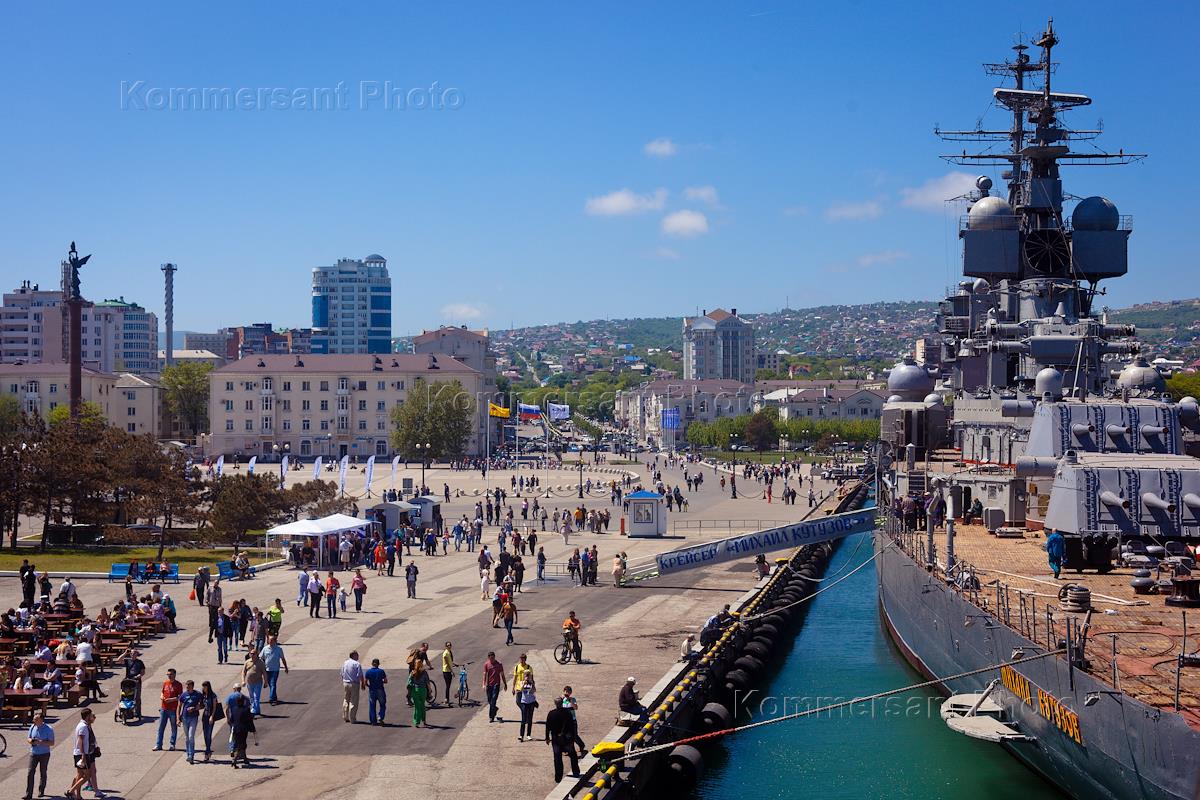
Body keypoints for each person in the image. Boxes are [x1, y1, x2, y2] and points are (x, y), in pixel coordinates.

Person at [544, 695, 581, 782]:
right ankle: (576, 771)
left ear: (555, 704)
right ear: (562, 703)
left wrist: (547, 737)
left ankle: (558, 776)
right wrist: (573, 737)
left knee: (557, 758)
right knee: (573, 755)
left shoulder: (551, 713)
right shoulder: (567, 712)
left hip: (555, 739)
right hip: (567, 738)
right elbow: (571, 725)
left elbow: (548, 726)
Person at [67, 708, 97, 800]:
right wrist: (83, 756)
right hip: (82, 754)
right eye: (91, 715)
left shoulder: (84, 725)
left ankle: (78, 796)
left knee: (79, 775)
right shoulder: (83, 727)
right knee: (88, 775)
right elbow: (81, 741)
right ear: (87, 716)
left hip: (79, 753)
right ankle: (71, 791)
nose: (92, 717)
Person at [24, 708, 54, 800]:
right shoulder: (32, 727)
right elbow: (28, 738)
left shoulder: (49, 729)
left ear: (41, 720)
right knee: (30, 773)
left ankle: (41, 790)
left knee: (43, 772)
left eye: (36, 719)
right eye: (34, 719)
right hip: (33, 753)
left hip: (44, 754)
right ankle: (29, 794)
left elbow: (52, 743)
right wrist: (31, 741)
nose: (34, 720)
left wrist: (40, 742)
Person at [153, 667, 182, 752]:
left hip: (173, 709)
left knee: (173, 727)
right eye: (168, 674)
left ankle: (172, 744)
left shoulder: (178, 685)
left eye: (171, 674)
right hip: (164, 708)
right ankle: (158, 744)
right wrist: (162, 697)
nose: (169, 676)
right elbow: (162, 692)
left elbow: (180, 697)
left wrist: (171, 700)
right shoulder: (165, 683)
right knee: (161, 727)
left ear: (174, 675)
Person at [177, 679, 204, 764]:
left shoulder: (198, 694)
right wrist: (178, 718)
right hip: (184, 717)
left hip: (193, 717)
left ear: (192, 686)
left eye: (188, 686)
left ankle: (191, 755)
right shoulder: (183, 695)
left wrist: (195, 708)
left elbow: (203, 705)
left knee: (191, 736)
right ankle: (188, 753)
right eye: (186, 686)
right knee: (187, 737)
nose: (187, 688)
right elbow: (179, 706)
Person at [259, 634, 289, 705]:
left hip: (275, 670)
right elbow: (260, 658)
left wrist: (286, 667)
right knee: (270, 684)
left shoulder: (279, 649)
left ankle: (272, 699)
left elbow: (283, 659)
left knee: (273, 683)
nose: (270, 641)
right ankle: (274, 697)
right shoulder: (265, 649)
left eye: (271, 640)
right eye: (269, 640)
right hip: (267, 669)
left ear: (275, 641)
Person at [228, 693, 256, 768]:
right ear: (243, 701)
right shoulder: (246, 709)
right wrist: (253, 729)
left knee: (240, 744)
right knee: (241, 745)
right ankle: (234, 760)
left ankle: (245, 758)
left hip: (236, 730)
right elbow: (249, 720)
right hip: (243, 730)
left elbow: (231, 720)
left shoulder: (234, 709)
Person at [199, 680, 223, 763]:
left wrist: (212, 716)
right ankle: (208, 750)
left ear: (208, 687)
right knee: (205, 735)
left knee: (209, 735)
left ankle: (207, 752)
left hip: (210, 716)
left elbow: (215, 707)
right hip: (204, 716)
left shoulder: (213, 695)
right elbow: (202, 705)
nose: (203, 688)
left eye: (205, 686)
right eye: (203, 686)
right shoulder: (203, 695)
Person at [481, 651, 507, 723]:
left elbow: (502, 674)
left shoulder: (499, 664)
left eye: (493, 658)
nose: (492, 659)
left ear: (494, 657)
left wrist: (505, 684)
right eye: (490, 658)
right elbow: (485, 674)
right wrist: (483, 684)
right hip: (489, 685)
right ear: (488, 658)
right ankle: (495, 709)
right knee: (489, 700)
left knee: (493, 700)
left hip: (496, 684)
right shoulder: (486, 664)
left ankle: (491, 717)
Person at [341, 650, 366, 723]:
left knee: (346, 699)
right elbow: (360, 675)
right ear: (354, 655)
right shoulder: (357, 664)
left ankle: (345, 716)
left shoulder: (345, 663)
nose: (358, 656)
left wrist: (344, 681)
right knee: (354, 701)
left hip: (346, 682)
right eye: (357, 655)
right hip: (354, 683)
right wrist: (363, 683)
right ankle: (352, 718)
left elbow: (342, 673)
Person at [242, 650, 266, 716]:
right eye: (251, 653)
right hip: (249, 682)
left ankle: (253, 710)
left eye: (253, 653)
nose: (252, 655)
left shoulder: (260, 662)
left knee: (256, 697)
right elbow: (243, 672)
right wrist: (243, 680)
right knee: (251, 697)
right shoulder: (247, 662)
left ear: (257, 654)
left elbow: (264, 672)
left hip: (258, 682)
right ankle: (257, 710)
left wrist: (265, 681)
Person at [365, 658, 388, 725]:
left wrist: (369, 686)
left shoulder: (368, 671)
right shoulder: (381, 671)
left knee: (372, 706)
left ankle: (373, 721)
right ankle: (380, 716)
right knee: (382, 704)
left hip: (372, 690)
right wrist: (381, 682)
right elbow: (385, 681)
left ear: (372, 664)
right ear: (378, 664)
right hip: (380, 689)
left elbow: (365, 682)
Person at [516, 671, 537, 741]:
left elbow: (534, 691)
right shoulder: (522, 682)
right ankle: (521, 735)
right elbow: (521, 690)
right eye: (526, 676)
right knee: (523, 719)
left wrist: (532, 684)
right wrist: (524, 684)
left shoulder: (532, 683)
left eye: (528, 676)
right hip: (524, 702)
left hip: (531, 702)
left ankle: (528, 735)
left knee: (530, 719)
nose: (527, 677)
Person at [408, 662, 430, 727]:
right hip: (423, 690)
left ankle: (417, 722)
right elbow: (427, 682)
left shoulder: (413, 672)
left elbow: (409, 681)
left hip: (415, 690)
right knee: (422, 705)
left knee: (417, 706)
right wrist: (430, 690)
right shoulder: (424, 672)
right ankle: (424, 721)